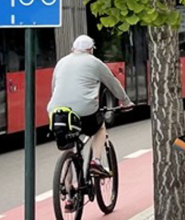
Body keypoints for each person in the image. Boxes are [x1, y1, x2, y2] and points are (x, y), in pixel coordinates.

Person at [49, 35, 134, 179]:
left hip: (57, 110)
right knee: (99, 128)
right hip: (84, 110)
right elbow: (112, 83)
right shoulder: (95, 62)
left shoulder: (61, 62)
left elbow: (54, 87)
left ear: (73, 49)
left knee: (66, 148)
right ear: (90, 50)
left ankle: (67, 191)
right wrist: (125, 102)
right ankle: (96, 162)